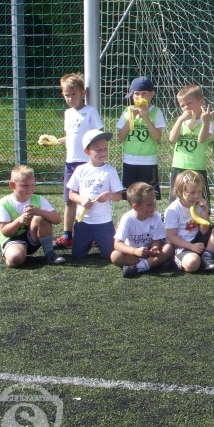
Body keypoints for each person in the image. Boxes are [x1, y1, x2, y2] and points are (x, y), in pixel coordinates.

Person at [37, 73, 104, 251]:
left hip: (87, 164)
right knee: (69, 200)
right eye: (67, 95)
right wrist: (54, 141)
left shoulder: (90, 112)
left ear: (83, 93)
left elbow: (99, 134)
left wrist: (95, 155)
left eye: (74, 94)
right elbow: (71, 137)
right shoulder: (67, 114)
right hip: (70, 163)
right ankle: (67, 236)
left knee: (89, 200)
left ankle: (95, 234)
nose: (70, 98)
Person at [67, 129, 124, 259]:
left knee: (109, 255)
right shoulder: (80, 170)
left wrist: (108, 195)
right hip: (83, 222)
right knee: (77, 256)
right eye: (98, 150)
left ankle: (99, 240)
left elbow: (118, 196)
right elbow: (71, 194)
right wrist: (81, 200)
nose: (103, 153)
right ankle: (91, 240)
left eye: (105, 149)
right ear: (86, 151)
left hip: (104, 222)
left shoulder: (110, 171)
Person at [0, 165, 64, 267]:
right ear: (12, 185)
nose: (30, 189)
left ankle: (49, 253)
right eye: (25, 185)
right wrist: (19, 221)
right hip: (13, 240)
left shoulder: (38, 199)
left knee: (41, 218)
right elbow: (5, 231)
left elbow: (57, 219)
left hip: (32, 239)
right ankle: (11, 254)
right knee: (16, 259)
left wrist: (39, 211)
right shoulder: (4, 203)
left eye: (32, 185)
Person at [116, 76, 166, 199]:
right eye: (137, 94)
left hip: (148, 161)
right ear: (132, 95)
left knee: (149, 195)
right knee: (130, 195)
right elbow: (120, 137)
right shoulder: (127, 111)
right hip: (129, 160)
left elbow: (157, 137)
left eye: (144, 94)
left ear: (152, 94)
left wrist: (146, 118)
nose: (140, 97)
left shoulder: (156, 112)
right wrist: (131, 119)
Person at [111, 181, 173, 278]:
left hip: (150, 253)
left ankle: (140, 267)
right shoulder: (128, 219)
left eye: (155, 202)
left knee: (169, 247)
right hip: (133, 254)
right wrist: (135, 251)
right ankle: (152, 264)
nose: (154, 207)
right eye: (150, 204)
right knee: (115, 256)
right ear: (136, 207)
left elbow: (157, 240)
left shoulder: (156, 216)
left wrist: (155, 248)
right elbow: (117, 244)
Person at [167, 84, 214, 203]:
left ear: (201, 102)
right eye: (182, 105)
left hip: (197, 168)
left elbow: (202, 139)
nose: (186, 108)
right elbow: (172, 139)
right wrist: (180, 120)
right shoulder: (181, 122)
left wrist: (205, 123)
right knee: (177, 200)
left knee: (199, 200)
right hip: (179, 167)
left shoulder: (207, 122)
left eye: (189, 103)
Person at [163, 170, 214, 273]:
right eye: (192, 192)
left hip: (198, 239)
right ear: (180, 191)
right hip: (182, 245)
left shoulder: (199, 205)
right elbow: (171, 237)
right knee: (193, 263)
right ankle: (180, 259)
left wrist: (205, 210)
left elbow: (204, 231)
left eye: (199, 192)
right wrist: (191, 246)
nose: (197, 196)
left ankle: (206, 255)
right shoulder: (173, 210)